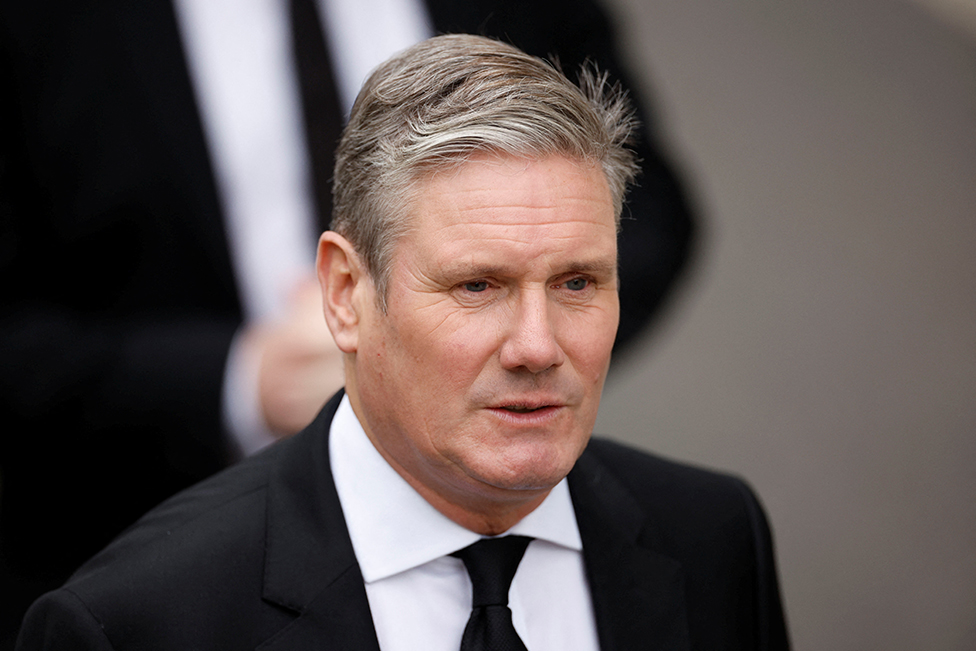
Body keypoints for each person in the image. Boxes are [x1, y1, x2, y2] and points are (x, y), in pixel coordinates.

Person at [17, 35, 786, 650]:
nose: (537, 345)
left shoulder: (715, 537)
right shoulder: (138, 623)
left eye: (577, 283)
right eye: (476, 285)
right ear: (347, 294)